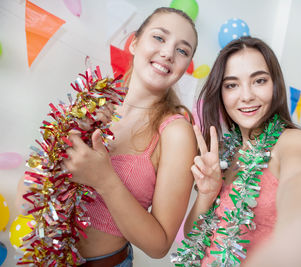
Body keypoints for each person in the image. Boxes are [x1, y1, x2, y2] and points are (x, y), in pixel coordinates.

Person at [17, 7, 198, 266]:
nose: (168, 53)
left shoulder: (175, 132)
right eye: (159, 37)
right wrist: (68, 138)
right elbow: (30, 191)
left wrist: (105, 180)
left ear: (184, 67)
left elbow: (159, 246)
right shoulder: (91, 102)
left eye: (182, 50)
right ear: (134, 43)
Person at [177, 36, 301, 266]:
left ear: (275, 84)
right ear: (221, 93)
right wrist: (206, 194)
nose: (246, 95)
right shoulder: (226, 154)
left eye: (259, 81)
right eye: (232, 85)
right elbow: (192, 236)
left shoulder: (293, 141)